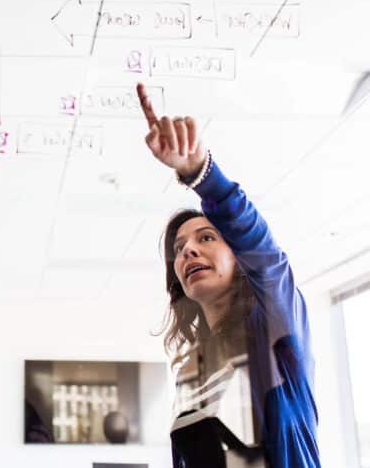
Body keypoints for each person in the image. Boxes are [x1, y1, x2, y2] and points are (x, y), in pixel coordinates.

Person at [136, 83, 320, 468]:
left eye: (206, 238)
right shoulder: (191, 367)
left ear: (237, 258)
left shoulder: (275, 332)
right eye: (179, 248)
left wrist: (201, 174)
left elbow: (264, 254)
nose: (188, 251)